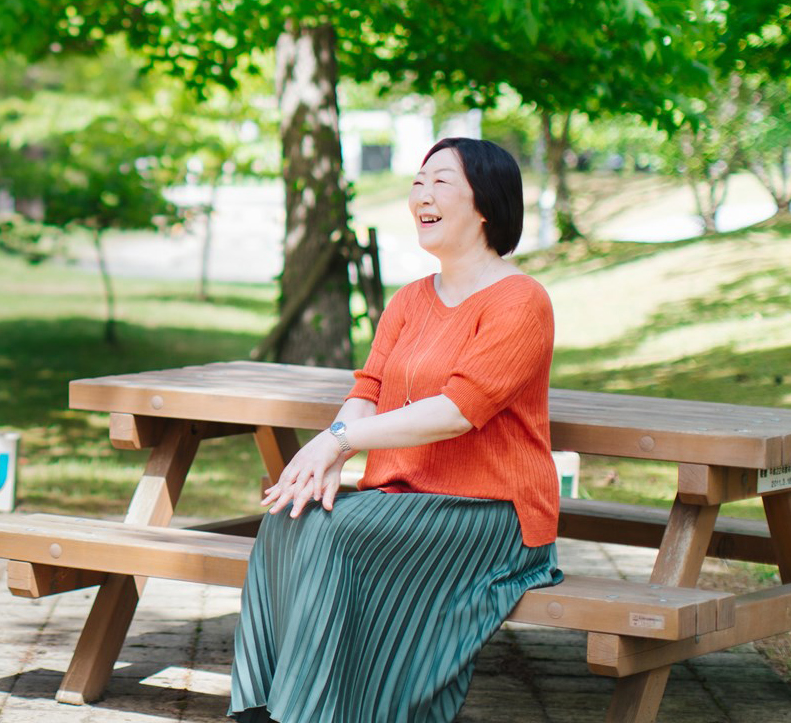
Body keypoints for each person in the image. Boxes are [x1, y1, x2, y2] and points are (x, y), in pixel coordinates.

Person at [230, 137, 562, 723]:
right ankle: (267, 706)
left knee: (337, 534)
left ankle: (313, 710)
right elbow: (369, 390)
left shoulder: (521, 301)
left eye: (441, 183)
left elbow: (459, 409)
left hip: (491, 514)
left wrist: (340, 442)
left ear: (486, 204)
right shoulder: (409, 300)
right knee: (288, 517)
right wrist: (327, 455)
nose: (422, 196)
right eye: (417, 183)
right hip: (406, 500)